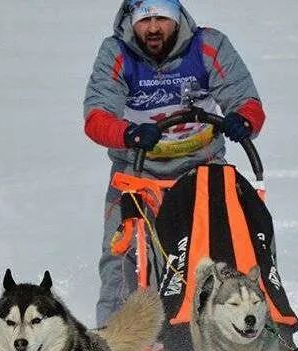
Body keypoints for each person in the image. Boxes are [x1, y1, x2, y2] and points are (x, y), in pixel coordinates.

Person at [84, 0, 266, 327]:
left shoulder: (209, 46)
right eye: (144, 19)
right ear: (129, 20)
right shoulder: (116, 53)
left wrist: (243, 120)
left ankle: (239, 328)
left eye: (161, 18)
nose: (153, 28)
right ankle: (113, 343)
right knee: (121, 257)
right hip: (137, 172)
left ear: (178, 18)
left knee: (232, 248)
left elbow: (248, 102)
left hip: (204, 170)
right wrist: (130, 133)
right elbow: (96, 118)